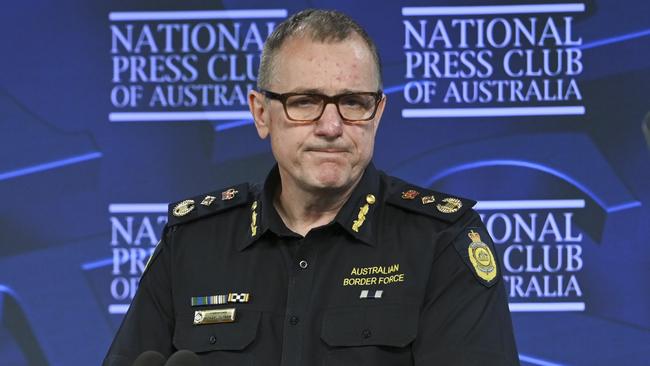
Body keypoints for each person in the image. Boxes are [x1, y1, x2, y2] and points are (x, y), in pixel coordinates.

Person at [104, 9, 520, 366]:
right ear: (261, 113)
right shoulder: (192, 244)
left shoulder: (440, 241)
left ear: (377, 113)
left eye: (354, 102)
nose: (331, 127)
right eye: (305, 102)